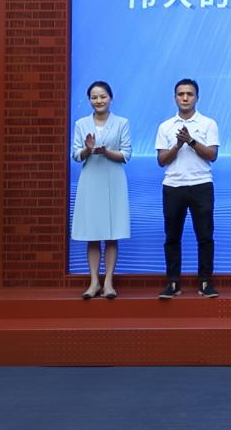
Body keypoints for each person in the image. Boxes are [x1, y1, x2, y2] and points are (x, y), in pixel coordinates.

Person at [155, 79, 220, 299]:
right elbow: (161, 160)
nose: (185, 98)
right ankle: (173, 283)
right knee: (172, 237)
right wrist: (178, 145)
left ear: (197, 98)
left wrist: (191, 141)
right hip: (173, 187)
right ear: (175, 97)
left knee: (205, 237)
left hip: (201, 185)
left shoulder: (208, 124)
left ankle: (205, 283)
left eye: (189, 94)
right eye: (181, 94)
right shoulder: (165, 126)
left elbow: (212, 155)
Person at [70, 81, 131, 300]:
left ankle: (109, 283)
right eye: (94, 97)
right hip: (91, 180)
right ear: (89, 100)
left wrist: (106, 152)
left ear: (111, 98)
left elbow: (126, 154)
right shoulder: (81, 124)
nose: (99, 100)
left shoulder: (122, 123)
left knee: (112, 233)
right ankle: (94, 281)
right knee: (93, 233)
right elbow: (76, 155)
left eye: (103, 96)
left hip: (114, 180)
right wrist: (88, 150)